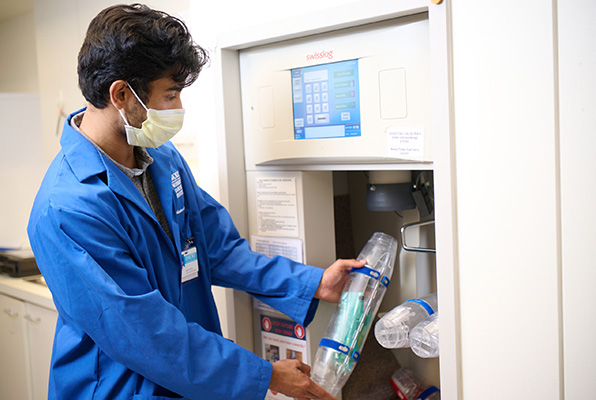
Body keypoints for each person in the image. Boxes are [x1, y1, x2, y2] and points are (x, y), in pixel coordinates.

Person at [27, 4, 366, 400]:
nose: (178, 108)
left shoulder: (161, 159)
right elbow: (143, 332)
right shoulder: (69, 207)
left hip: (183, 378)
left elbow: (215, 249)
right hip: (117, 388)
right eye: (169, 95)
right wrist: (265, 375)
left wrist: (312, 283)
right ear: (121, 94)